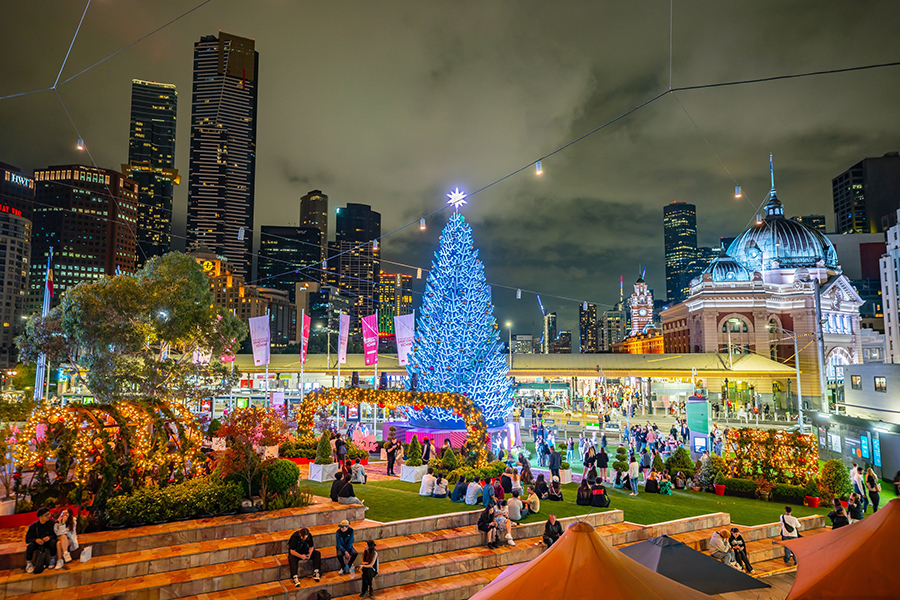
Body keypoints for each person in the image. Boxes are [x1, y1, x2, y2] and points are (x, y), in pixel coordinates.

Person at [25, 507, 58, 573]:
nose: (49, 516)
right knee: (30, 546)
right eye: (46, 515)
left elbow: (56, 534)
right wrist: (36, 540)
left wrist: (49, 537)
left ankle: (52, 559)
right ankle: (29, 563)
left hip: (48, 542)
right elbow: (27, 539)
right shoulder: (34, 526)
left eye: (49, 514)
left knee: (53, 542)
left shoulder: (52, 523)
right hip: (38, 543)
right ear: (40, 517)